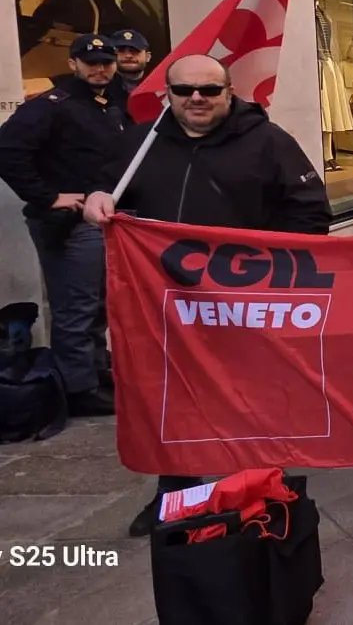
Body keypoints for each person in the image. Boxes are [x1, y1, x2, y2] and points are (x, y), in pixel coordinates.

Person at [81, 53, 332, 536]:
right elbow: (105, 188)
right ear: (167, 95)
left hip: (240, 304)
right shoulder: (140, 143)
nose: (196, 98)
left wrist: (262, 271)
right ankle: (175, 493)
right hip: (163, 305)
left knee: (246, 400)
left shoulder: (269, 143)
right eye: (184, 91)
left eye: (210, 90)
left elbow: (309, 215)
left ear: (229, 93)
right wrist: (95, 199)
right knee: (172, 401)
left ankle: (253, 488)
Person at [0, 34, 135, 418]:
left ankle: (94, 372)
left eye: (106, 61)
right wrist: (46, 196)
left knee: (98, 307)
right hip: (69, 223)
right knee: (76, 308)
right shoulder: (53, 105)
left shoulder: (112, 103)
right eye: (90, 62)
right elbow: (7, 150)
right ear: (74, 63)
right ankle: (79, 389)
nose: (100, 68)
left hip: (105, 220)